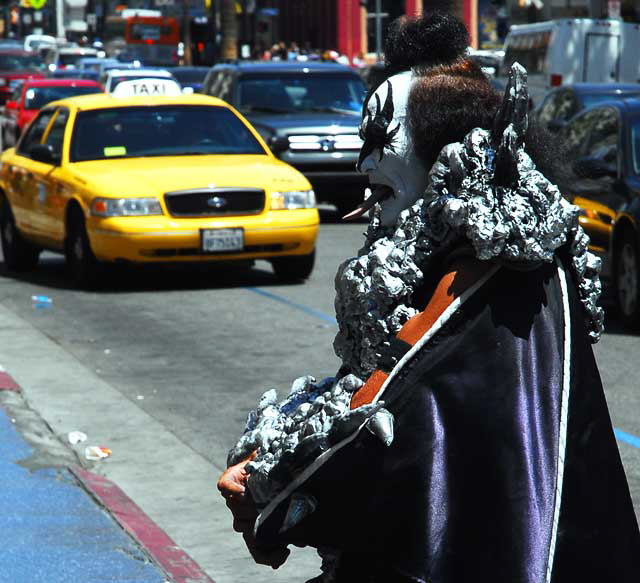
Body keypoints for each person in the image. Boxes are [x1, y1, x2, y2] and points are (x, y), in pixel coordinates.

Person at [218, 11, 640, 583]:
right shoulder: (456, 257)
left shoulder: (490, 274)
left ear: (448, 149)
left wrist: (270, 481)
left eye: (379, 140)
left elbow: (388, 414)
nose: (363, 163)